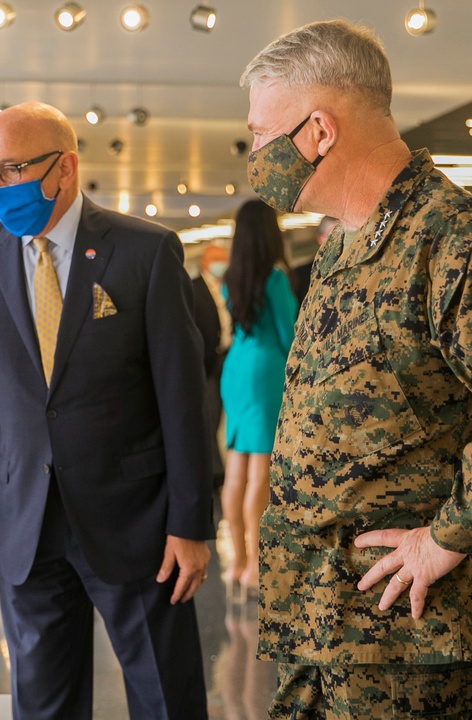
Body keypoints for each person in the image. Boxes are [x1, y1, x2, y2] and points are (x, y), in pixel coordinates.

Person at [0, 101, 214, 719]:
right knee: (41, 704)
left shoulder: (145, 252)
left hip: (137, 523)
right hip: (25, 525)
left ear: (65, 169)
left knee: (166, 697)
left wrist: (192, 523)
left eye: (10, 169)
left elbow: (183, 397)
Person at [242, 19, 472, 717]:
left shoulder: (447, 239)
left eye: (258, 134)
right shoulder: (346, 244)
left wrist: (447, 537)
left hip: (405, 647)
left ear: (318, 131)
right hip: (318, 625)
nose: (253, 153)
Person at [218, 200, 297, 598]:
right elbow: (290, 335)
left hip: (235, 369)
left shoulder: (229, 276)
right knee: (260, 473)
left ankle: (236, 561)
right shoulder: (276, 279)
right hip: (266, 371)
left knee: (237, 466)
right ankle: (256, 565)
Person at [192, 242, 232, 489]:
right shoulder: (193, 288)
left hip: (229, 358)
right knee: (210, 415)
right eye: (219, 259)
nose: (223, 264)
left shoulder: (229, 287)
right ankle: (214, 472)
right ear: (206, 262)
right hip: (207, 361)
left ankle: (220, 467)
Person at [291, 215, 338, 306]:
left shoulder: (356, 269)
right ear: (320, 238)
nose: (338, 240)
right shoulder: (300, 275)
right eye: (333, 234)